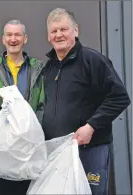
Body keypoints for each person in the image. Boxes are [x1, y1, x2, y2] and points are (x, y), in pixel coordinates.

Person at [42, 8, 131, 195]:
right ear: (48, 36)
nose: (59, 35)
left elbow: (119, 97)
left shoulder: (93, 60)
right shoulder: (48, 68)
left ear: (76, 30)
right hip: (59, 153)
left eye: (63, 29)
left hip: (91, 149)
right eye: (54, 31)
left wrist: (90, 126)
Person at [0, 20, 45, 195]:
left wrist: (34, 133)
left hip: (28, 150)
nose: (13, 39)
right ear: (3, 39)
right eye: (9, 35)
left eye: (17, 35)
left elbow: (44, 106)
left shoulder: (39, 68)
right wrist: (0, 98)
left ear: (25, 38)